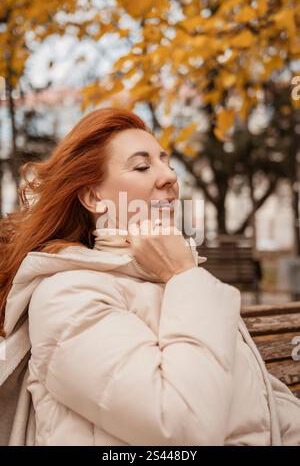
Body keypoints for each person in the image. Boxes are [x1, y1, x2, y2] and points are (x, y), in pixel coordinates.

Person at [0, 107, 300, 446]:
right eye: (142, 166)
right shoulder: (67, 295)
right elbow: (182, 425)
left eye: (168, 163)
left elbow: (266, 408)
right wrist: (183, 274)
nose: (170, 177)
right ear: (93, 197)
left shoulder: (170, 281)